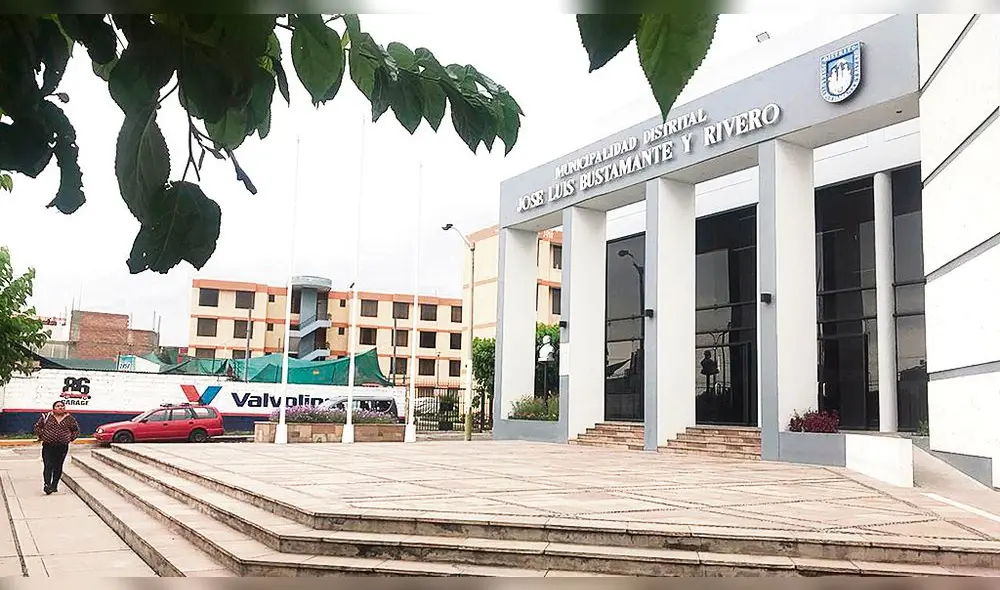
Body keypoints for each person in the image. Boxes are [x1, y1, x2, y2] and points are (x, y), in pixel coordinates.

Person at [34, 400, 80, 495]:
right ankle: (47, 484)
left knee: (58, 466)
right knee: (48, 465)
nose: (60, 407)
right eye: (58, 406)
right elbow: (38, 427)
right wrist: (42, 436)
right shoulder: (46, 417)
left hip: (62, 446)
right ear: (53, 408)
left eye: (62, 406)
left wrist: (70, 438)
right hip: (48, 445)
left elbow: (76, 430)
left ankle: (54, 485)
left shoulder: (70, 419)